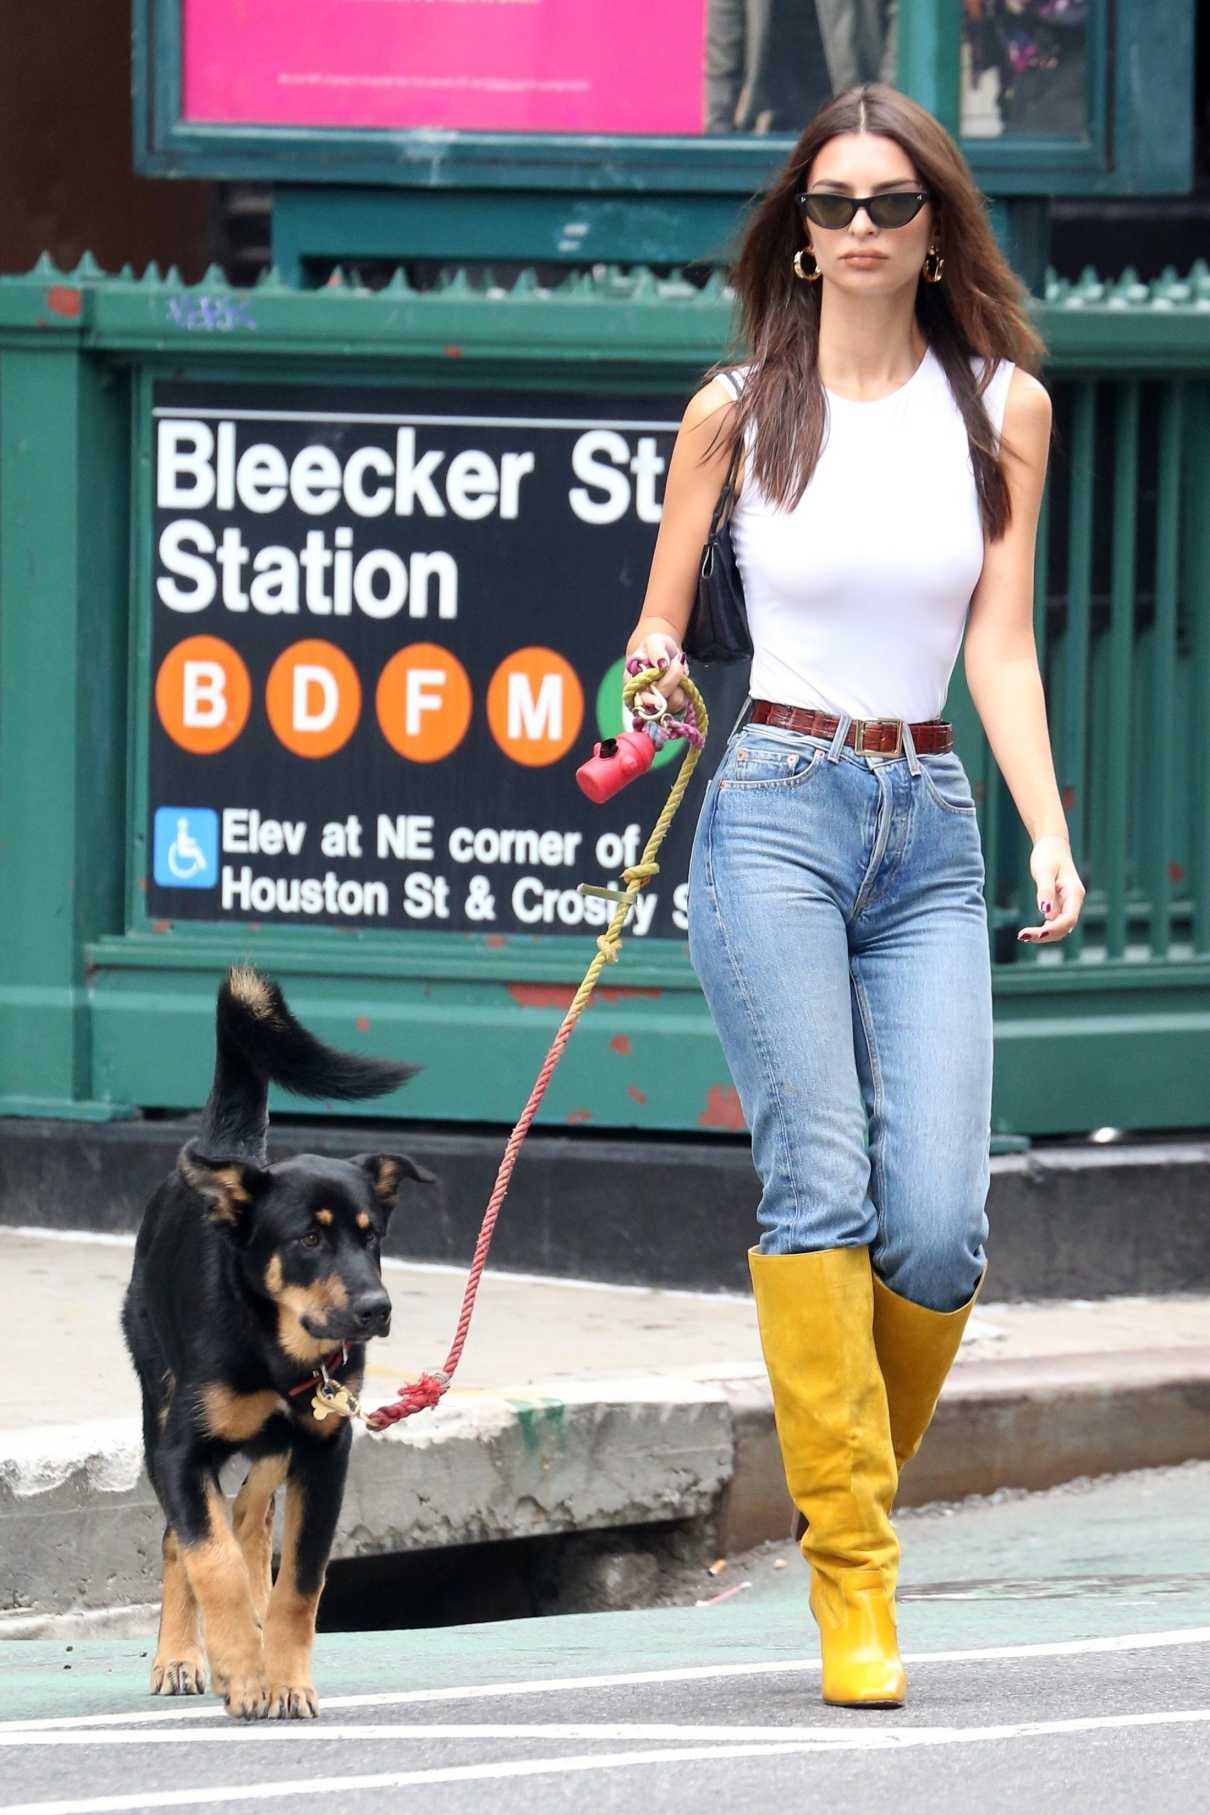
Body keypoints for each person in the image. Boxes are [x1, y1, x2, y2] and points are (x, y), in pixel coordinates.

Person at [624, 81, 1085, 1710]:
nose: (865, 228)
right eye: (834, 204)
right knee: (816, 1182)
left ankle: (843, 1480)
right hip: (769, 812)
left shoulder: (1002, 407)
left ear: (936, 227)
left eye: (895, 203)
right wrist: (651, 678)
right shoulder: (734, 411)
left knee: (942, 1227)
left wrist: (1045, 826)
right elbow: (661, 626)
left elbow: (1000, 643)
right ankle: (853, 1580)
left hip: (932, 819)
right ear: (799, 236)